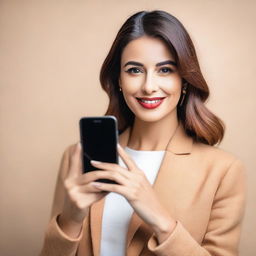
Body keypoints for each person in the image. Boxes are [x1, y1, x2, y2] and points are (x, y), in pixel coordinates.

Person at [40, 10, 246, 256]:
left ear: (185, 81)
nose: (149, 86)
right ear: (119, 78)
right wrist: (70, 220)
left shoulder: (223, 171)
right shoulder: (77, 157)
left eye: (165, 70)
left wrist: (160, 218)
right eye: (135, 70)